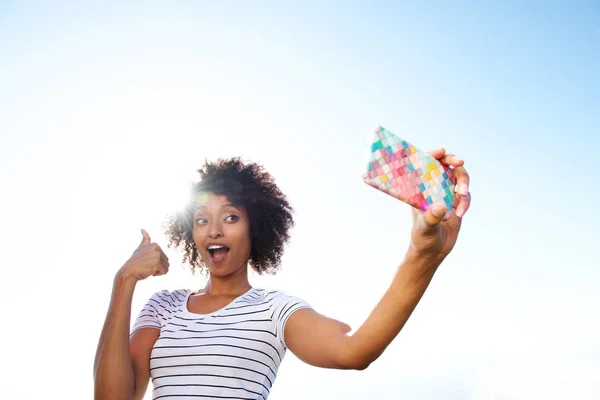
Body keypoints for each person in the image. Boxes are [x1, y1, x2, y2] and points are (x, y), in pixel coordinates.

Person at [93, 150, 471, 400]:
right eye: (201, 220)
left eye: (230, 217)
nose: (214, 230)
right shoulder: (163, 306)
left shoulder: (273, 310)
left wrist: (422, 256)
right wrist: (123, 280)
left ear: (254, 229)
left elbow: (354, 350)